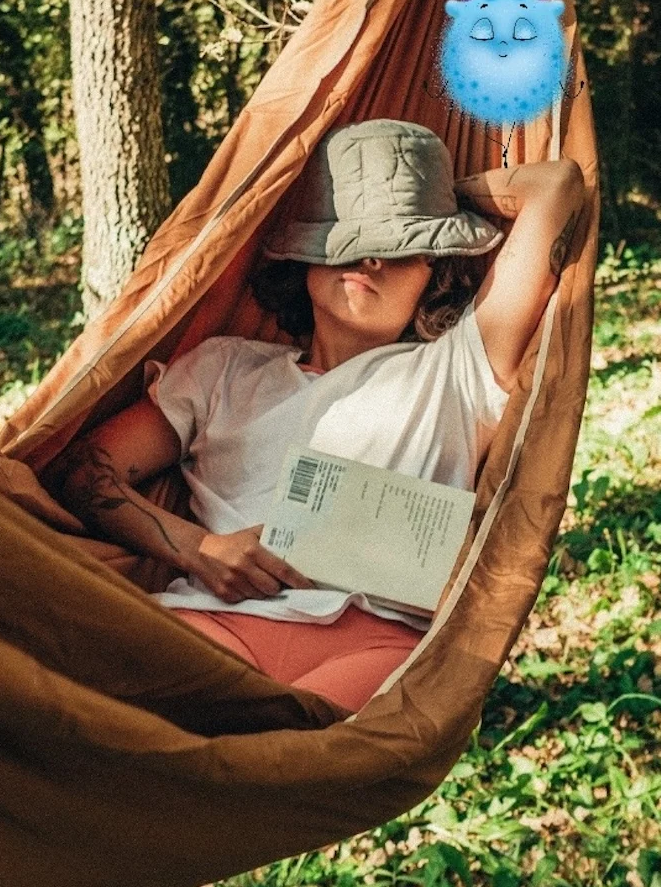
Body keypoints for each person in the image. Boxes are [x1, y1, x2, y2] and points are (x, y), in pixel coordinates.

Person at [58, 119, 585, 713]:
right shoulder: (223, 370)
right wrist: (198, 548)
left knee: (289, 751)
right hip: (214, 622)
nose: (370, 259)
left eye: (400, 244)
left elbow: (557, 185)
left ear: (435, 271)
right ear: (305, 260)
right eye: (347, 237)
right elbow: (84, 471)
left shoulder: (460, 367)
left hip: (377, 644)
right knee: (95, 701)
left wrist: (435, 195)